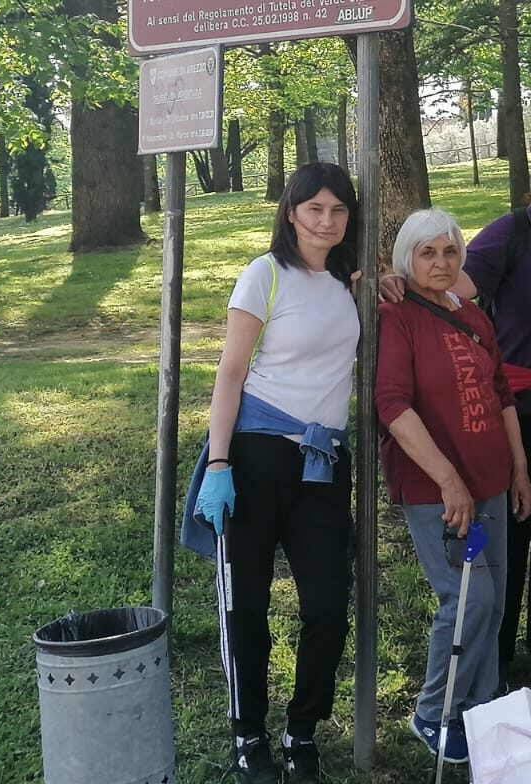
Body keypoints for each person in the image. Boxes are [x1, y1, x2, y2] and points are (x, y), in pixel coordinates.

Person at [384, 133, 531, 686]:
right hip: (518, 407)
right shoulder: (513, 232)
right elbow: (451, 283)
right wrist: (400, 281)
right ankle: (493, 648)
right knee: (514, 530)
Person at [194, 163, 361, 784]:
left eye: (338, 210)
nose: (326, 220)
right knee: (247, 606)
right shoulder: (264, 275)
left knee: (326, 605)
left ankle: (302, 731)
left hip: (322, 464)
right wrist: (218, 462)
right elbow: (231, 374)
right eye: (314, 208)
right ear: (291, 212)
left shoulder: (347, 279)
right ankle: (249, 735)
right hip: (257, 456)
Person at [374, 209, 531, 763]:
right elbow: (391, 404)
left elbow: (502, 394)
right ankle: (434, 711)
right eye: (427, 253)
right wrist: (447, 479)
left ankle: (482, 706)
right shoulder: (395, 315)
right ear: (406, 259)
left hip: (491, 476)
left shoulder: (471, 312)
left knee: (491, 603)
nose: (440, 263)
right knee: (467, 598)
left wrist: (519, 469)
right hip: (436, 486)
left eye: (449, 252)